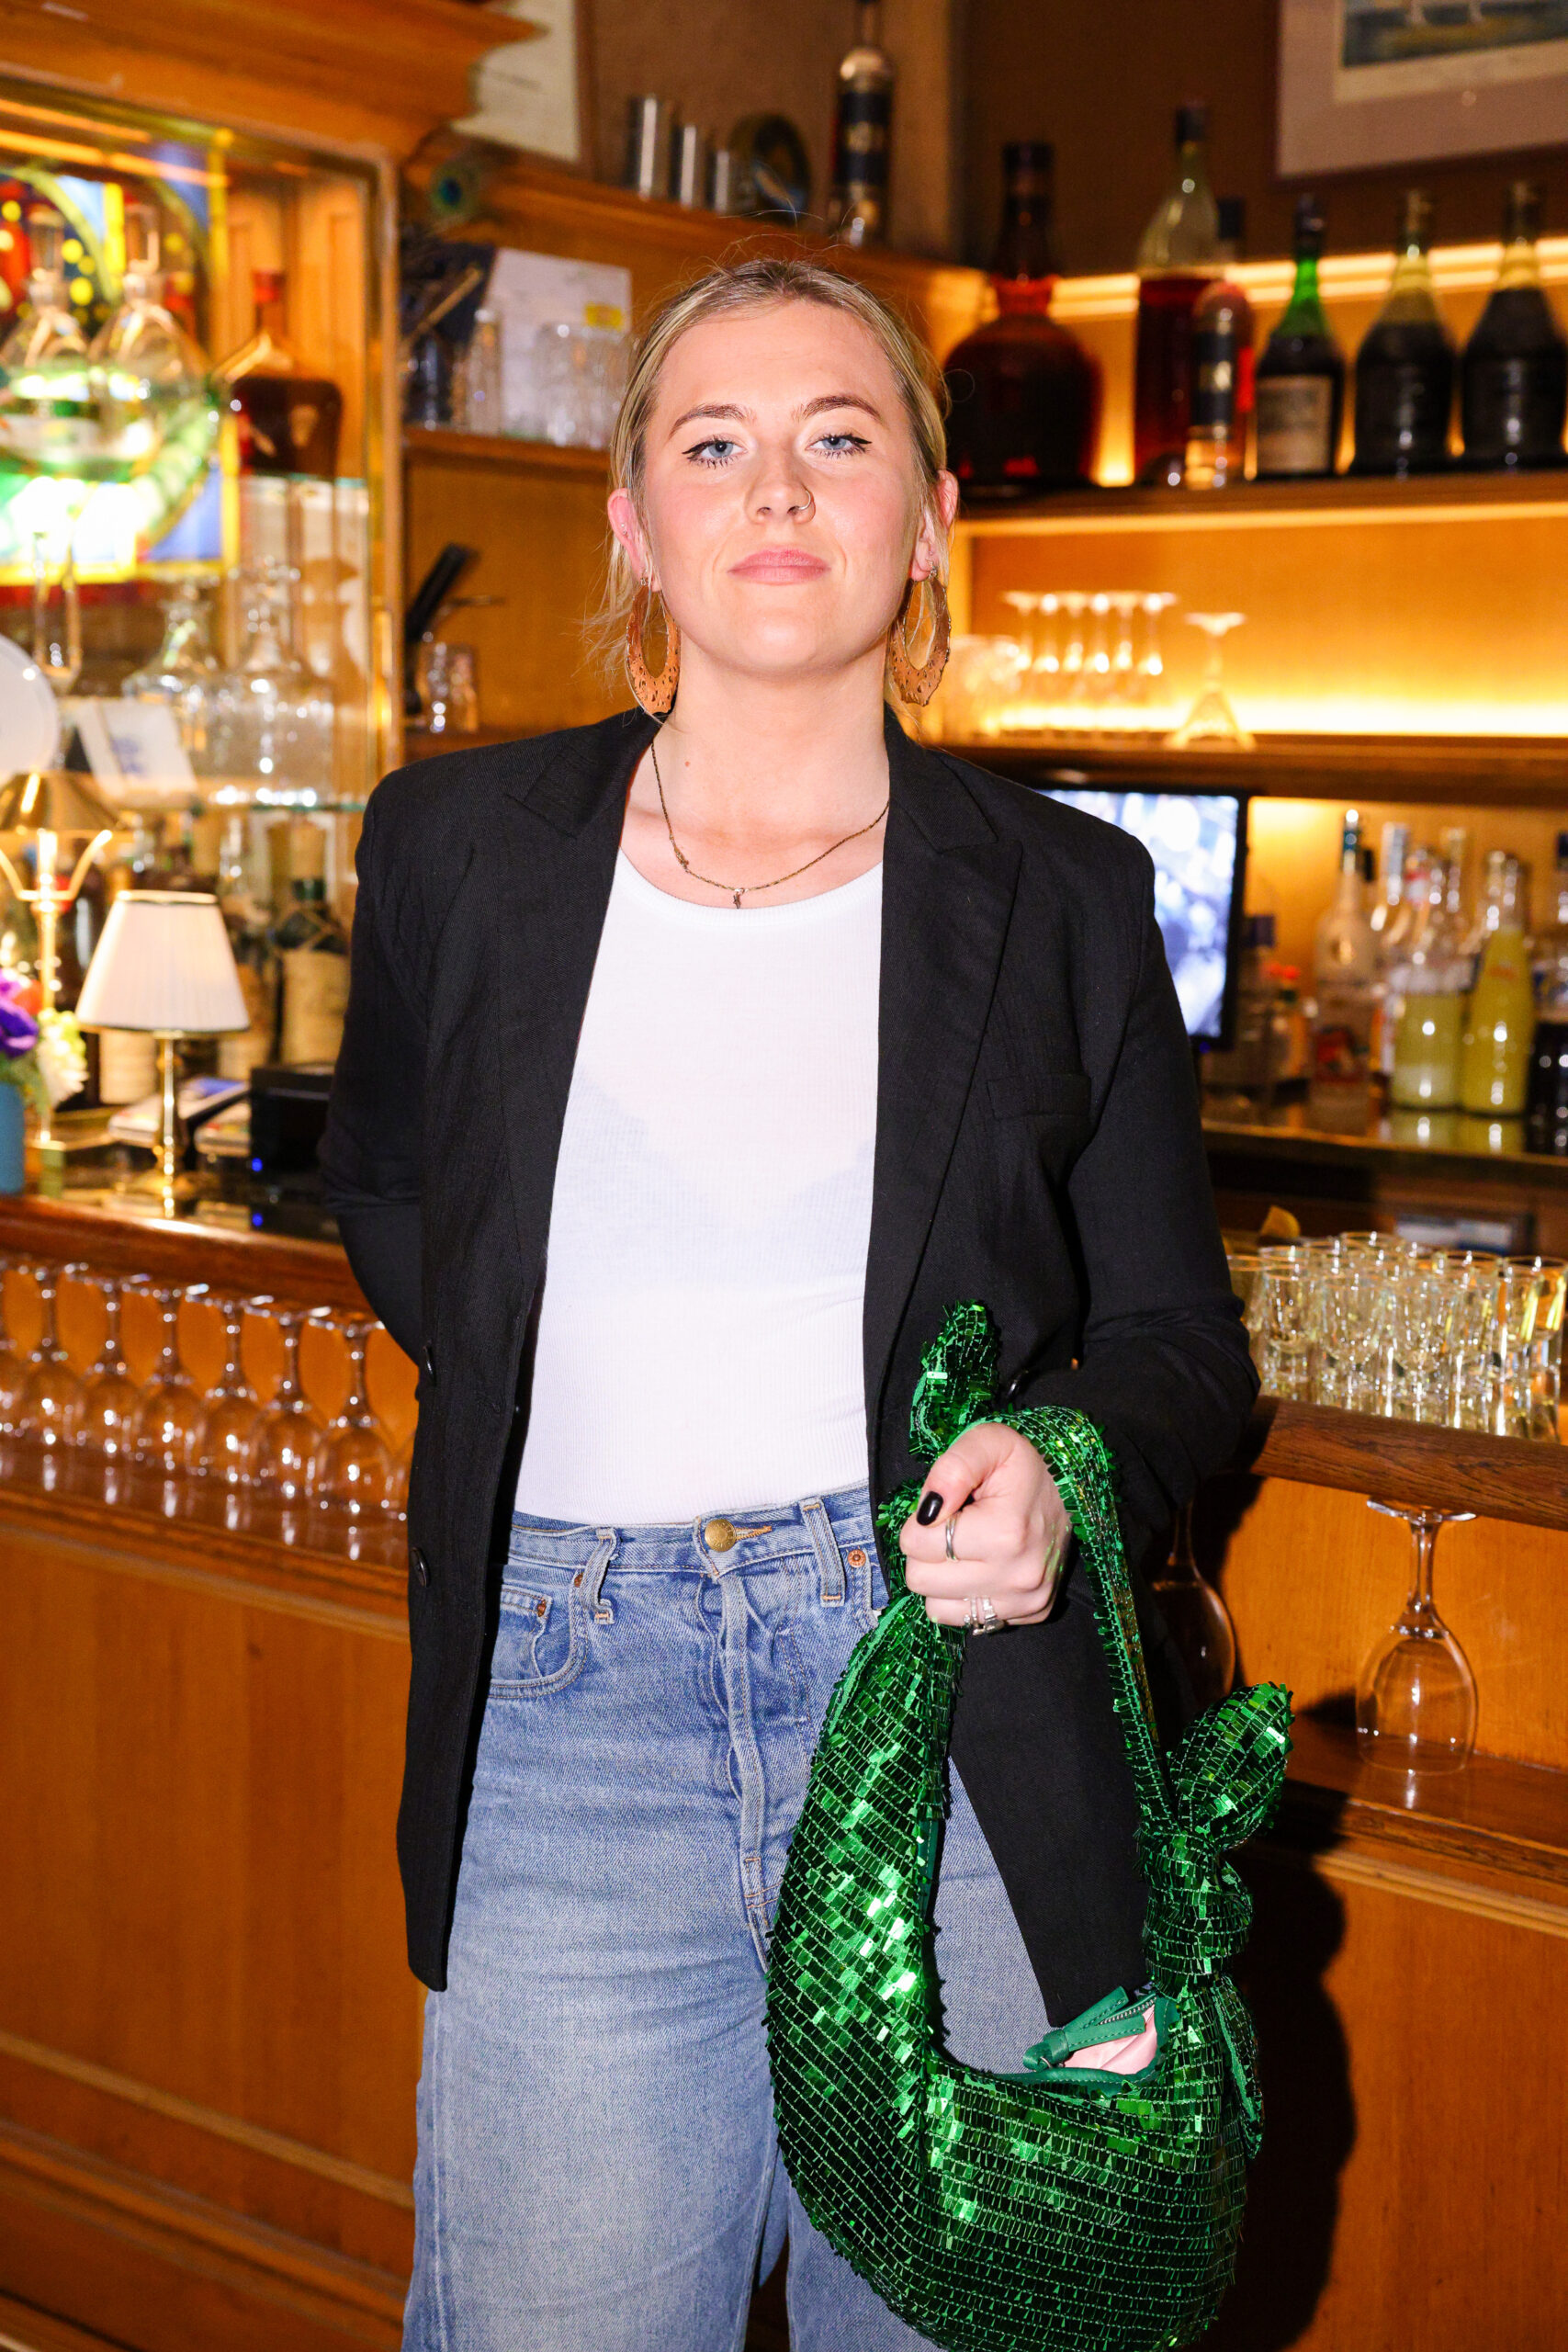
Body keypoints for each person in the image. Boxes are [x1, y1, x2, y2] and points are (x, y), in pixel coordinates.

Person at [321, 255, 1256, 2352]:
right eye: (713, 442)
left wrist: (1059, 1459)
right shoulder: (456, 847)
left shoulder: (1068, 895)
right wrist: (555, 1372)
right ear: (636, 526)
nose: (777, 488)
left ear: (927, 519)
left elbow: (1180, 1341)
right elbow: (380, 1185)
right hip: (565, 1718)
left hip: (954, 1715)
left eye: (839, 437)